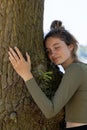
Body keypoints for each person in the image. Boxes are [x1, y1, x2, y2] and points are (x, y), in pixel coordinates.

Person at [8, 20, 87, 130]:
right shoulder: (81, 68)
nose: (52, 54)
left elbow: (50, 111)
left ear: (71, 46)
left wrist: (26, 75)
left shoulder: (76, 70)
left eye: (57, 47)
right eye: (48, 51)